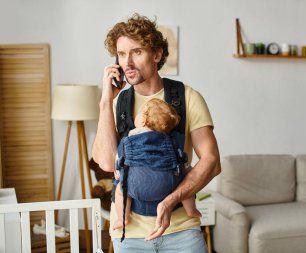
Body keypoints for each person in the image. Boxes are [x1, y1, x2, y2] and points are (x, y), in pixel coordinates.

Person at [92, 13, 221, 252]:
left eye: (136, 52)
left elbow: (212, 162)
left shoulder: (187, 98)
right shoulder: (116, 104)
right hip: (128, 235)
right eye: (121, 54)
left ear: (157, 54)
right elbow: (107, 162)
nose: (127, 62)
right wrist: (104, 101)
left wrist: (172, 199)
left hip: (181, 230)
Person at [113, 98, 201, 230]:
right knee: (186, 180)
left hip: (136, 185)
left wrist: (118, 171)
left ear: (142, 120)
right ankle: (191, 210)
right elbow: (180, 159)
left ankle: (122, 218)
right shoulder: (170, 140)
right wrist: (187, 169)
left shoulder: (129, 137)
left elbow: (120, 158)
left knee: (120, 191)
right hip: (167, 186)